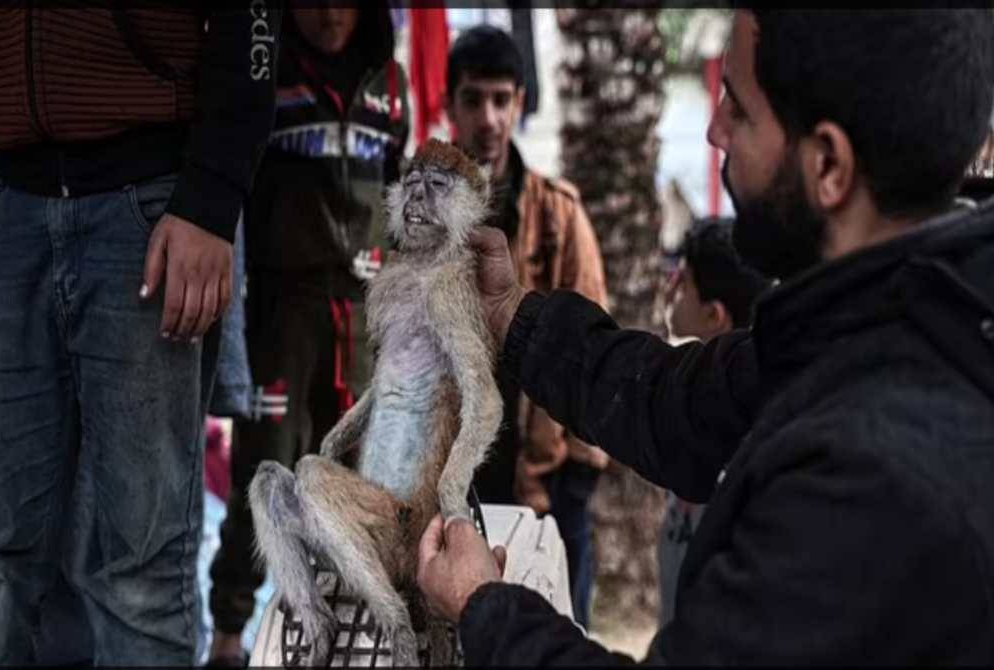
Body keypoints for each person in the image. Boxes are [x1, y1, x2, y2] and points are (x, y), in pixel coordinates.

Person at [417, 9, 994, 665]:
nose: (715, 132)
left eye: (739, 110)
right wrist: (511, 314)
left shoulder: (873, 473)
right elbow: (680, 405)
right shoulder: (877, 315)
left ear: (828, 164)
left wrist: (483, 608)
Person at [0, 5, 279, 665]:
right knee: (4, 561)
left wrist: (211, 198)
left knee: (140, 566)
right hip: (6, 205)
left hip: (146, 209)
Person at [205, 5, 409, 667]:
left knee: (358, 478)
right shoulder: (264, 69)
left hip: (364, 313)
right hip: (282, 308)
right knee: (264, 474)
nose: (329, 13)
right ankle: (230, 635)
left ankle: (348, 639)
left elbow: (399, 194)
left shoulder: (393, 82)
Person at [444, 25, 610, 626]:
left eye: (501, 99)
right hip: (454, 476)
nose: (488, 118)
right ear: (449, 106)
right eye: (473, 99)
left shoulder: (559, 214)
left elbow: (593, 345)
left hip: (542, 479)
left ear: (519, 102)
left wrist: (578, 479)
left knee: (559, 633)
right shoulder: (423, 218)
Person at [657, 219, 770, 628]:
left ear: (713, 315)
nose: (669, 291)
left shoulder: (746, 448)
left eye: (682, 282)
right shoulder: (692, 405)